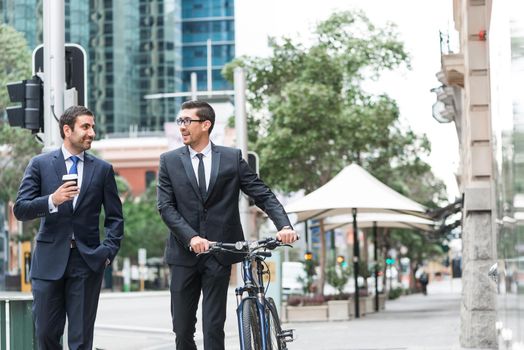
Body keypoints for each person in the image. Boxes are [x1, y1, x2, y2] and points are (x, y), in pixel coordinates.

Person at [157, 100, 298, 350]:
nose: (182, 127)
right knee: (182, 328)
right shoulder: (169, 161)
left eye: (187, 121)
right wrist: (191, 238)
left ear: (206, 124)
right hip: (183, 254)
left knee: (213, 326)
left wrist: (284, 225)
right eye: (180, 121)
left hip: (219, 254)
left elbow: (262, 194)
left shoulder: (231, 158)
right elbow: (166, 207)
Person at [14, 105, 124, 350]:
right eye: (85, 126)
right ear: (67, 130)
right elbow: (20, 209)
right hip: (48, 261)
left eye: (93, 127)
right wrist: (52, 199)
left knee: (81, 340)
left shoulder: (102, 170)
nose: (91, 132)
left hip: (87, 261)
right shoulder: (40, 164)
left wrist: (107, 252)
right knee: (45, 335)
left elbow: (115, 218)